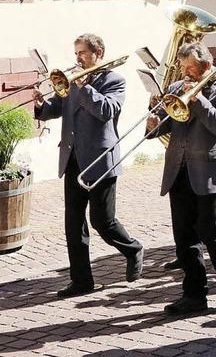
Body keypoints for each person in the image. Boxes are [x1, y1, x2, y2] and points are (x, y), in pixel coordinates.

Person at [33, 33, 144, 298]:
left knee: (102, 221)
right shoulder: (72, 81)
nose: (78, 58)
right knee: (73, 222)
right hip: (73, 159)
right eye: (76, 53)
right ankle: (81, 280)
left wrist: (84, 88)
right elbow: (58, 107)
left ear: (98, 52)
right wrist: (41, 106)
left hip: (100, 160)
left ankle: (133, 249)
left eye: (82, 53)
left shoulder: (114, 80)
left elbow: (106, 111)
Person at [146, 42, 216, 313]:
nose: (185, 73)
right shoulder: (177, 87)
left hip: (211, 170)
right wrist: (153, 120)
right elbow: (165, 125)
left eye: (190, 67)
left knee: (211, 230)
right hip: (180, 169)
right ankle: (194, 294)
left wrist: (198, 98)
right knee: (184, 236)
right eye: (182, 67)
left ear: (205, 66)